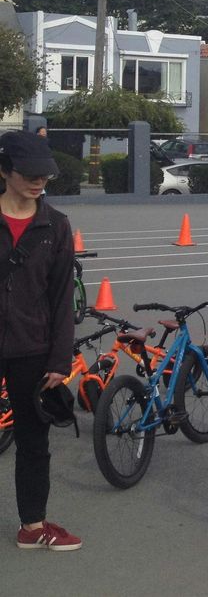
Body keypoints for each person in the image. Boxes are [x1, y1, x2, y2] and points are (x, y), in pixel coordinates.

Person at [0, 130, 81, 551]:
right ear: (4, 171)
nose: (38, 183)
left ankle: (32, 527)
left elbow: (62, 297)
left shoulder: (56, 226)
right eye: (29, 174)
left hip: (32, 349)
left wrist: (60, 358)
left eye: (45, 177)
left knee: (33, 441)